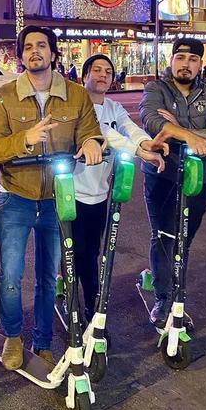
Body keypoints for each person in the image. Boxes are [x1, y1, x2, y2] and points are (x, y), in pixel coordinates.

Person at [0, 25, 103, 370]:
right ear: (20, 56)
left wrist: (92, 142)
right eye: (28, 47)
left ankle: (43, 341)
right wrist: (25, 138)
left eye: (42, 46)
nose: (35, 51)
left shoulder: (77, 95)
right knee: (11, 274)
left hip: (57, 199)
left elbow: (91, 132)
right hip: (15, 196)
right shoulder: (5, 97)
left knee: (50, 275)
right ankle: (14, 338)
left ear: (53, 53)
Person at [139, 38, 206, 328]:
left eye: (193, 59)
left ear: (200, 65)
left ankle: (175, 295)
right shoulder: (156, 89)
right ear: (171, 60)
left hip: (197, 177)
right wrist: (193, 135)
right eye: (180, 57)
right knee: (164, 237)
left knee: (184, 240)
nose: (186, 64)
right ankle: (164, 300)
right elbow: (151, 121)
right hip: (162, 174)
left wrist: (181, 130)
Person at [72, 54, 168, 326]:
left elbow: (129, 128)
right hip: (71, 192)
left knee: (91, 253)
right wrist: (138, 150)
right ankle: (82, 309)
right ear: (85, 76)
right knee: (78, 255)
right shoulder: (77, 104)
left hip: (99, 194)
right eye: (96, 70)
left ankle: (86, 302)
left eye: (108, 71)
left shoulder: (114, 107)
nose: (102, 75)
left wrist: (147, 143)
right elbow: (105, 134)